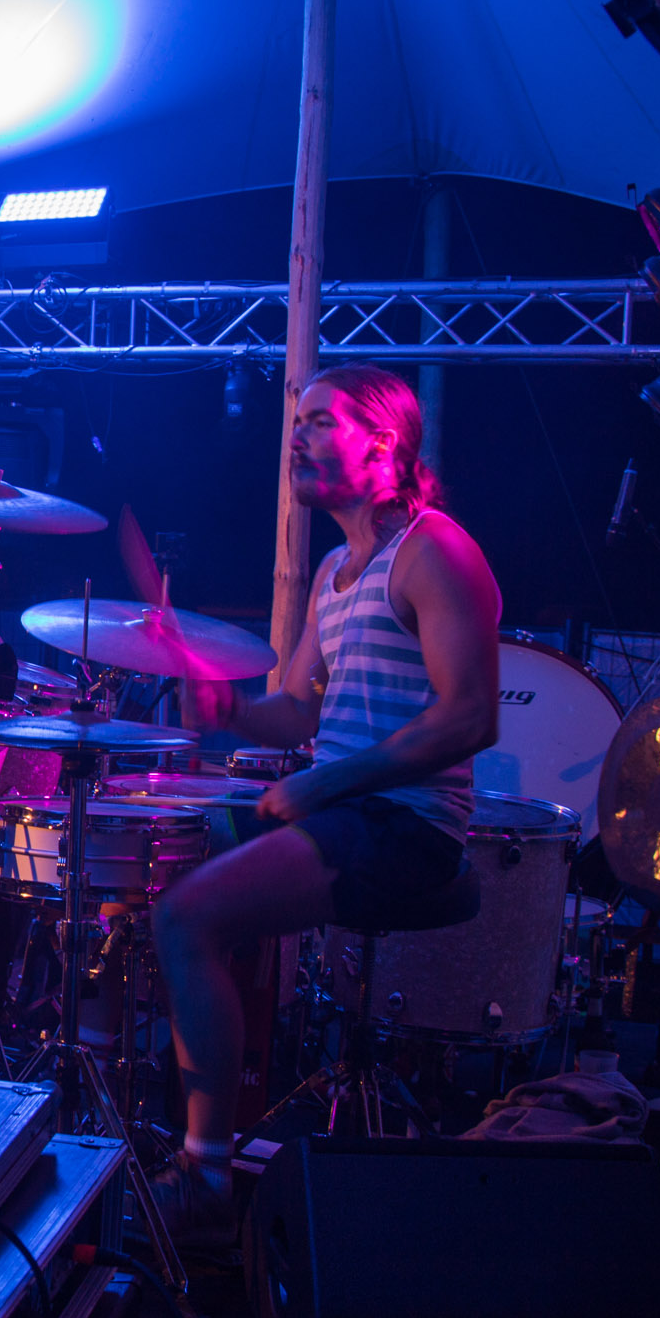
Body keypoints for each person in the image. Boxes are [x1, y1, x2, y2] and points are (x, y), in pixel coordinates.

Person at [151, 365, 499, 1244]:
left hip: (406, 825)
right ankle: (178, 1111)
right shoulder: (337, 573)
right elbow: (301, 711)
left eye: (316, 422)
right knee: (163, 858)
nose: (294, 439)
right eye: (294, 423)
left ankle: (207, 1176)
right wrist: (230, 710)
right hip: (347, 811)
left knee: (187, 917)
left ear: (380, 442)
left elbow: (469, 716)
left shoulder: (434, 551)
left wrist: (324, 781)